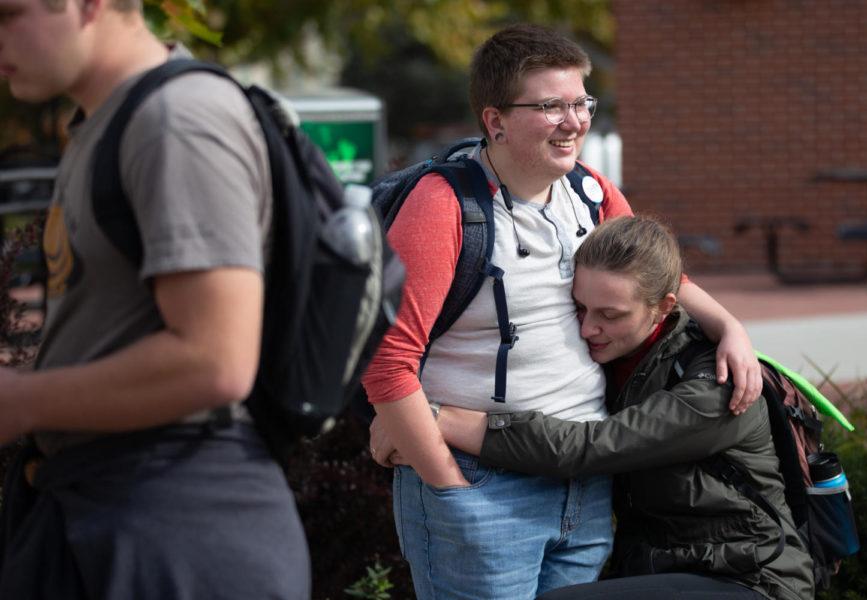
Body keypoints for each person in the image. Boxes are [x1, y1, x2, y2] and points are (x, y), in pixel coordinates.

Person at [362, 23, 763, 600]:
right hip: (480, 483)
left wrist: (729, 326)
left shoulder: (592, 192)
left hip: (585, 482)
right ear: (495, 120)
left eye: (580, 102)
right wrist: (448, 487)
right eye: (550, 105)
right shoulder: (442, 206)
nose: (573, 121)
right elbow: (386, 361)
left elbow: (657, 278)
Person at [0, 1, 309, 598]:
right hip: (116, 508)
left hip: (178, 520)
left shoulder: (177, 119)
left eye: (9, 15)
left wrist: (23, 400)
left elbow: (214, 361)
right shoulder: (107, 121)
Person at [375, 215, 815, 599]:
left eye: (611, 314)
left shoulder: (717, 386)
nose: (588, 328)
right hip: (670, 570)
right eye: (580, 308)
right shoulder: (624, 361)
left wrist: (430, 418)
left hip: (752, 580)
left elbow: (587, 448)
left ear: (663, 308)